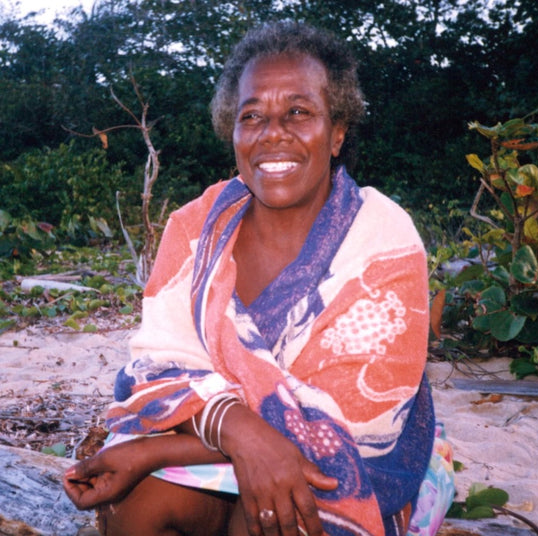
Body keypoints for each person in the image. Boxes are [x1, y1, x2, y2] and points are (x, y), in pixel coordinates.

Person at [63, 21, 455, 536]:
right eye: (253, 116)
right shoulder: (196, 229)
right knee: (137, 505)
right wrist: (240, 433)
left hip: (357, 465)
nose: (273, 133)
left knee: (275, 517)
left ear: (337, 132)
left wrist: (163, 447)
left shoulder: (381, 238)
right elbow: (159, 369)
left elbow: (352, 431)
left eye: (298, 112)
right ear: (234, 132)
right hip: (225, 443)